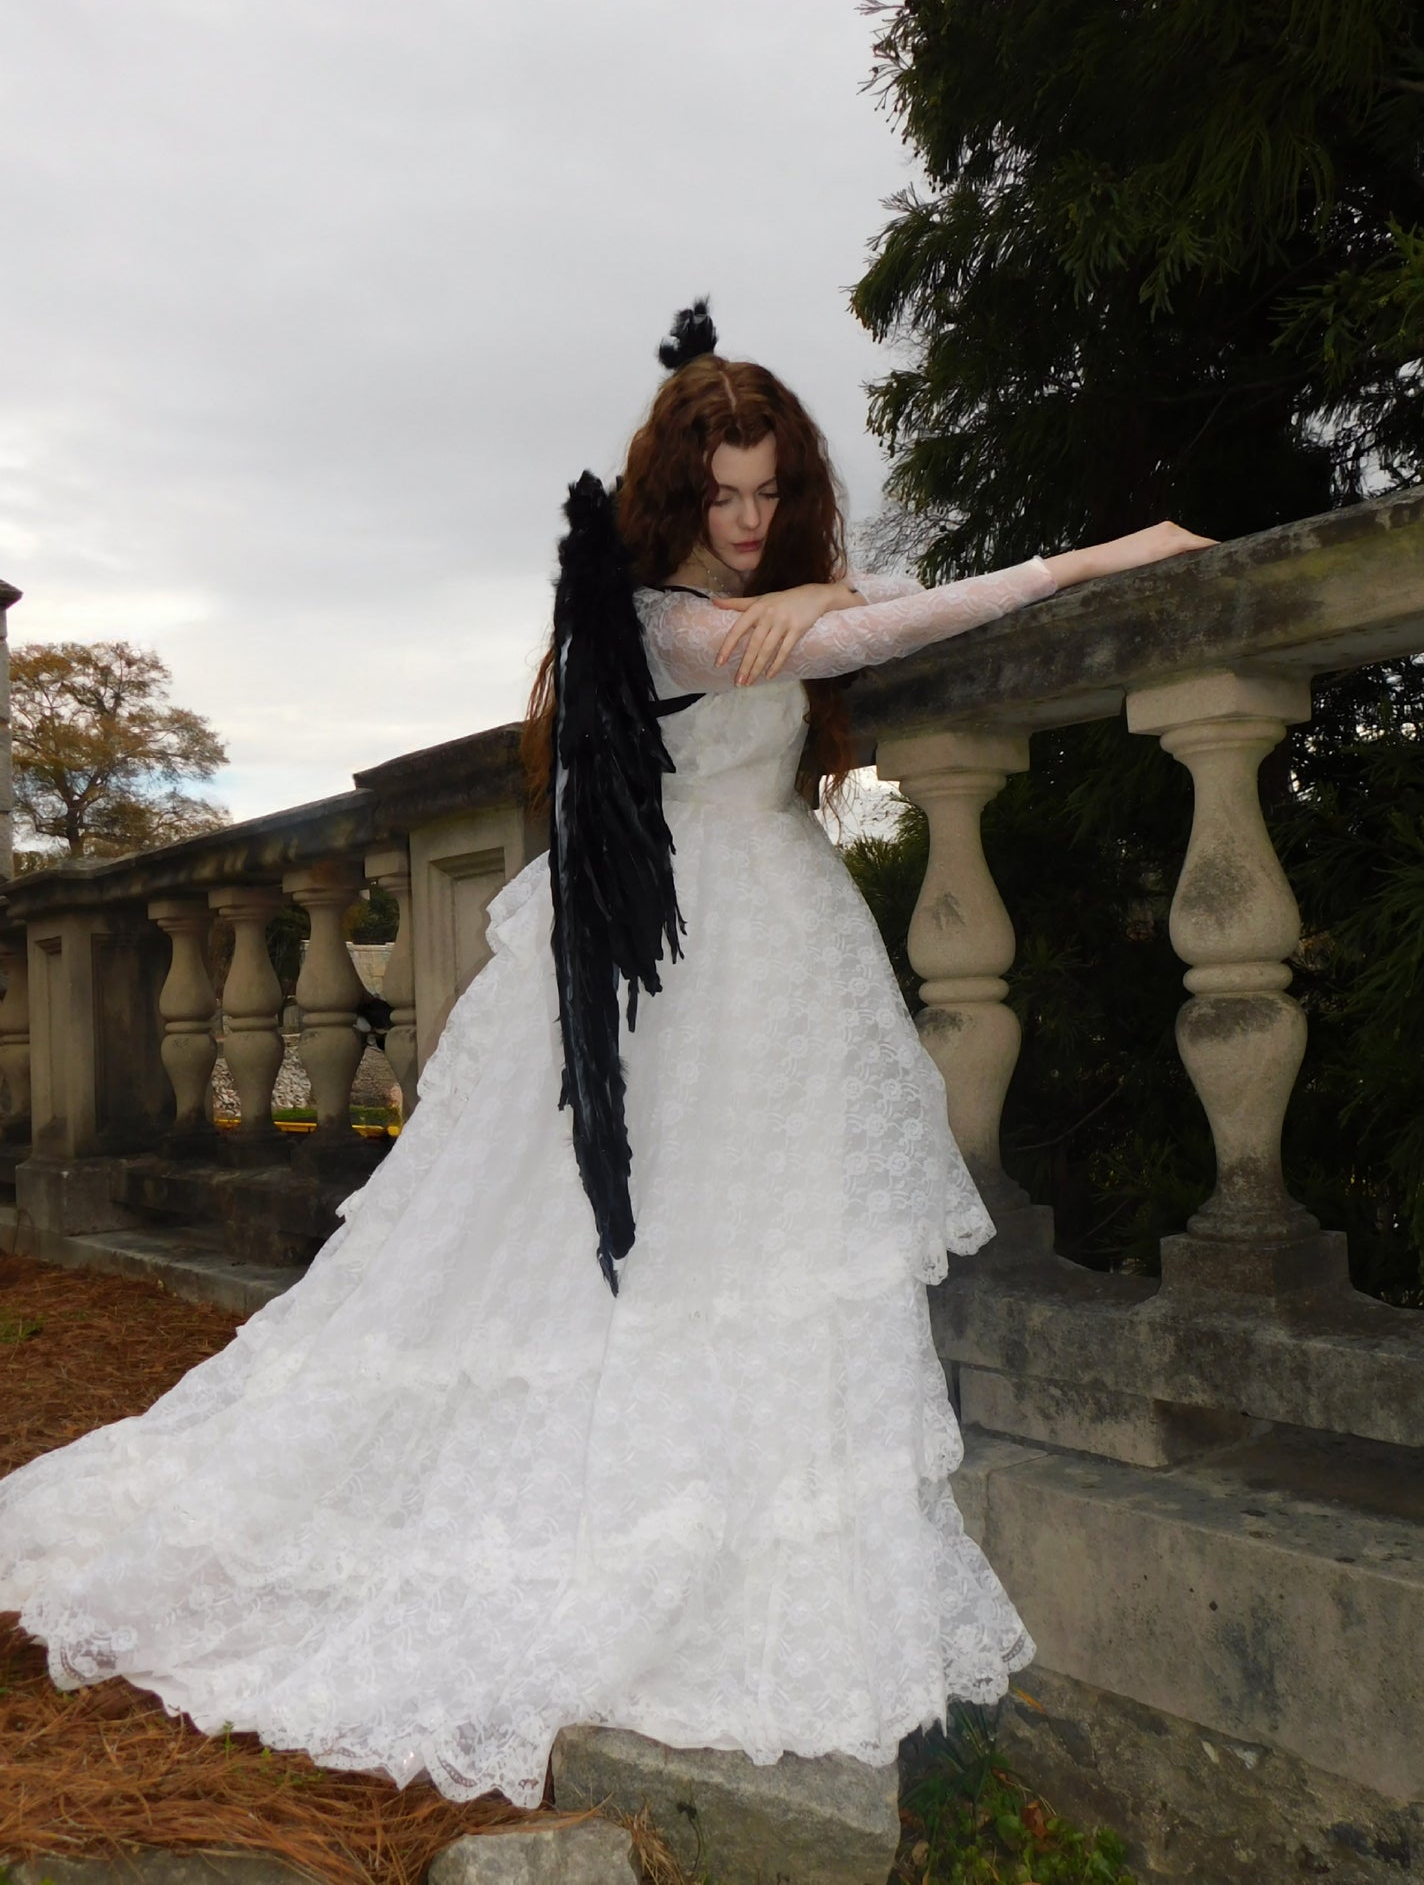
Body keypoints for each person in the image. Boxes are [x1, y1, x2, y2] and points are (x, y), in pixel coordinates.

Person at [0, 303, 1211, 1808]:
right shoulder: (654, 620)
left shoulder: (761, 595)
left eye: (773, 493)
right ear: (671, 493)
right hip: (684, 966)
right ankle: (630, 1514)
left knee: (765, 1246)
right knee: (643, 1257)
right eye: (724, 496)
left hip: (767, 956)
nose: (751, 521)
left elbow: (851, 608)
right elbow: (888, 628)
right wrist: (1096, 559)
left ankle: (728, 1488)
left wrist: (825, 580)